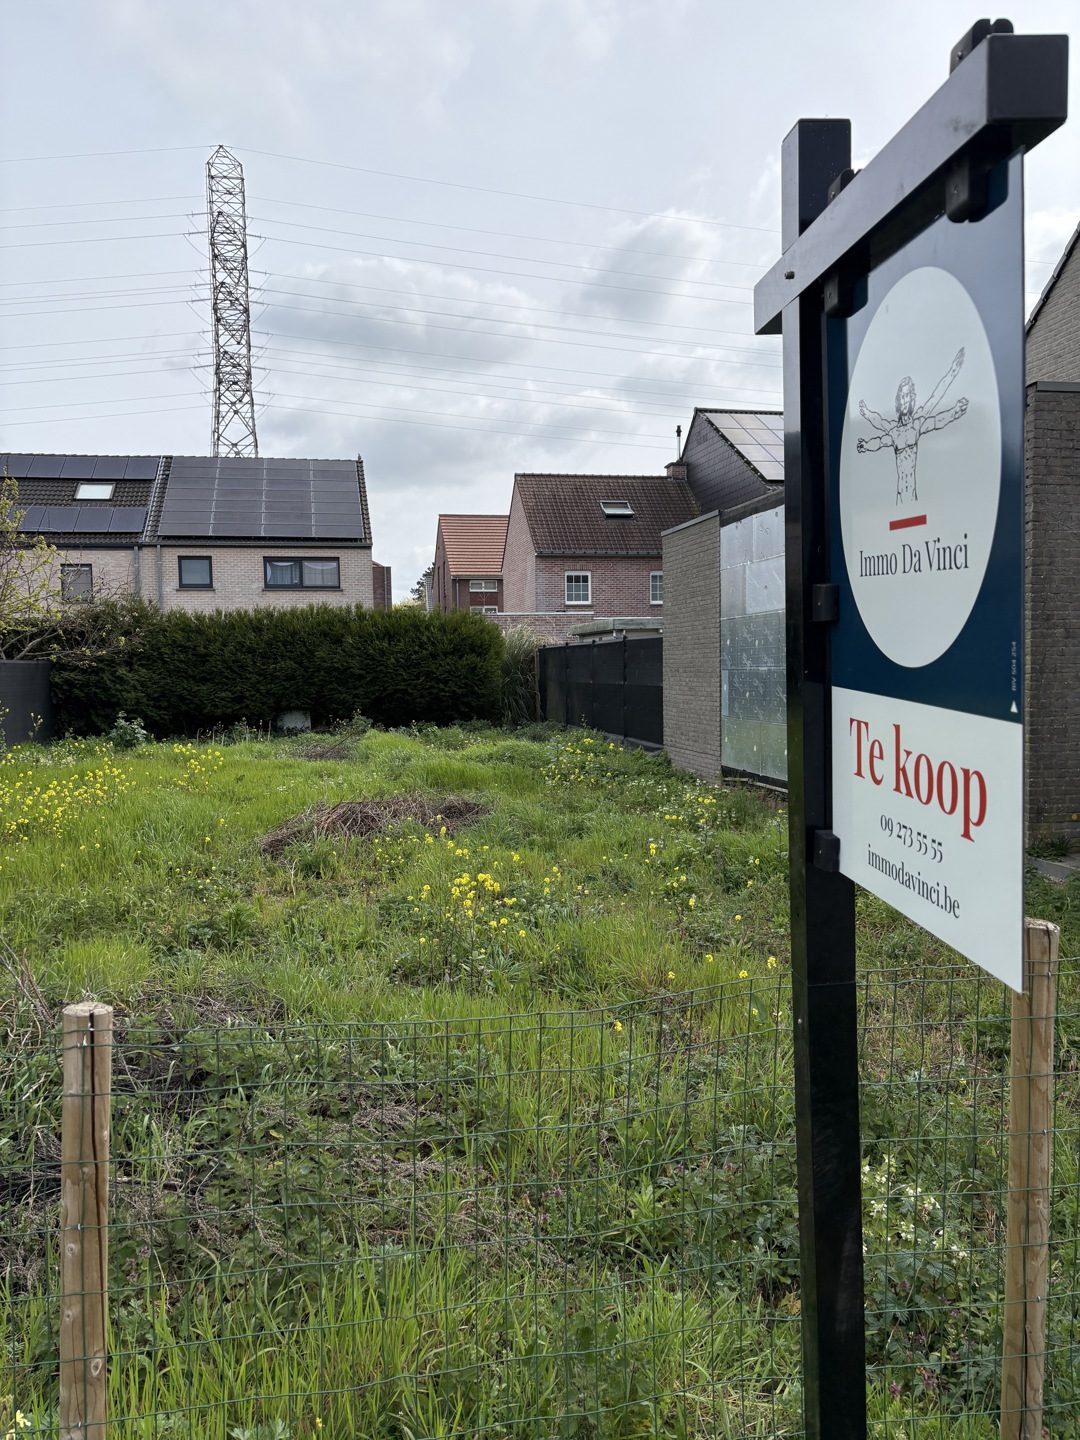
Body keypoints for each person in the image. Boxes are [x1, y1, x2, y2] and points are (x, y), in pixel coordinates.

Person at [856, 348, 968, 504]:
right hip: (900, 495)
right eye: (902, 396)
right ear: (898, 401)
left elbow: (936, 403)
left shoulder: (917, 424)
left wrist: (954, 409)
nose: (905, 400)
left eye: (908, 395)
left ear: (912, 399)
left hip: (913, 494)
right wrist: (866, 423)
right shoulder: (894, 431)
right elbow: (880, 435)